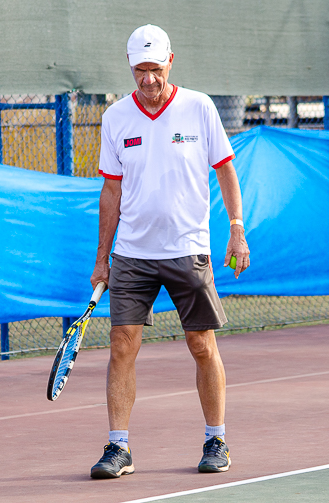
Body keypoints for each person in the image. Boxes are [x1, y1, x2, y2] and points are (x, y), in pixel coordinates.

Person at [89, 24, 250, 479]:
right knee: (122, 345)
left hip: (188, 249)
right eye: (140, 70)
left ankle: (216, 440)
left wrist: (237, 230)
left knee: (201, 345)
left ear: (170, 62)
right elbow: (111, 191)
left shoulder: (199, 107)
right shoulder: (115, 117)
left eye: (156, 69)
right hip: (132, 254)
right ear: (130, 67)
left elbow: (226, 172)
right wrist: (102, 258)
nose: (148, 79)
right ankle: (118, 448)